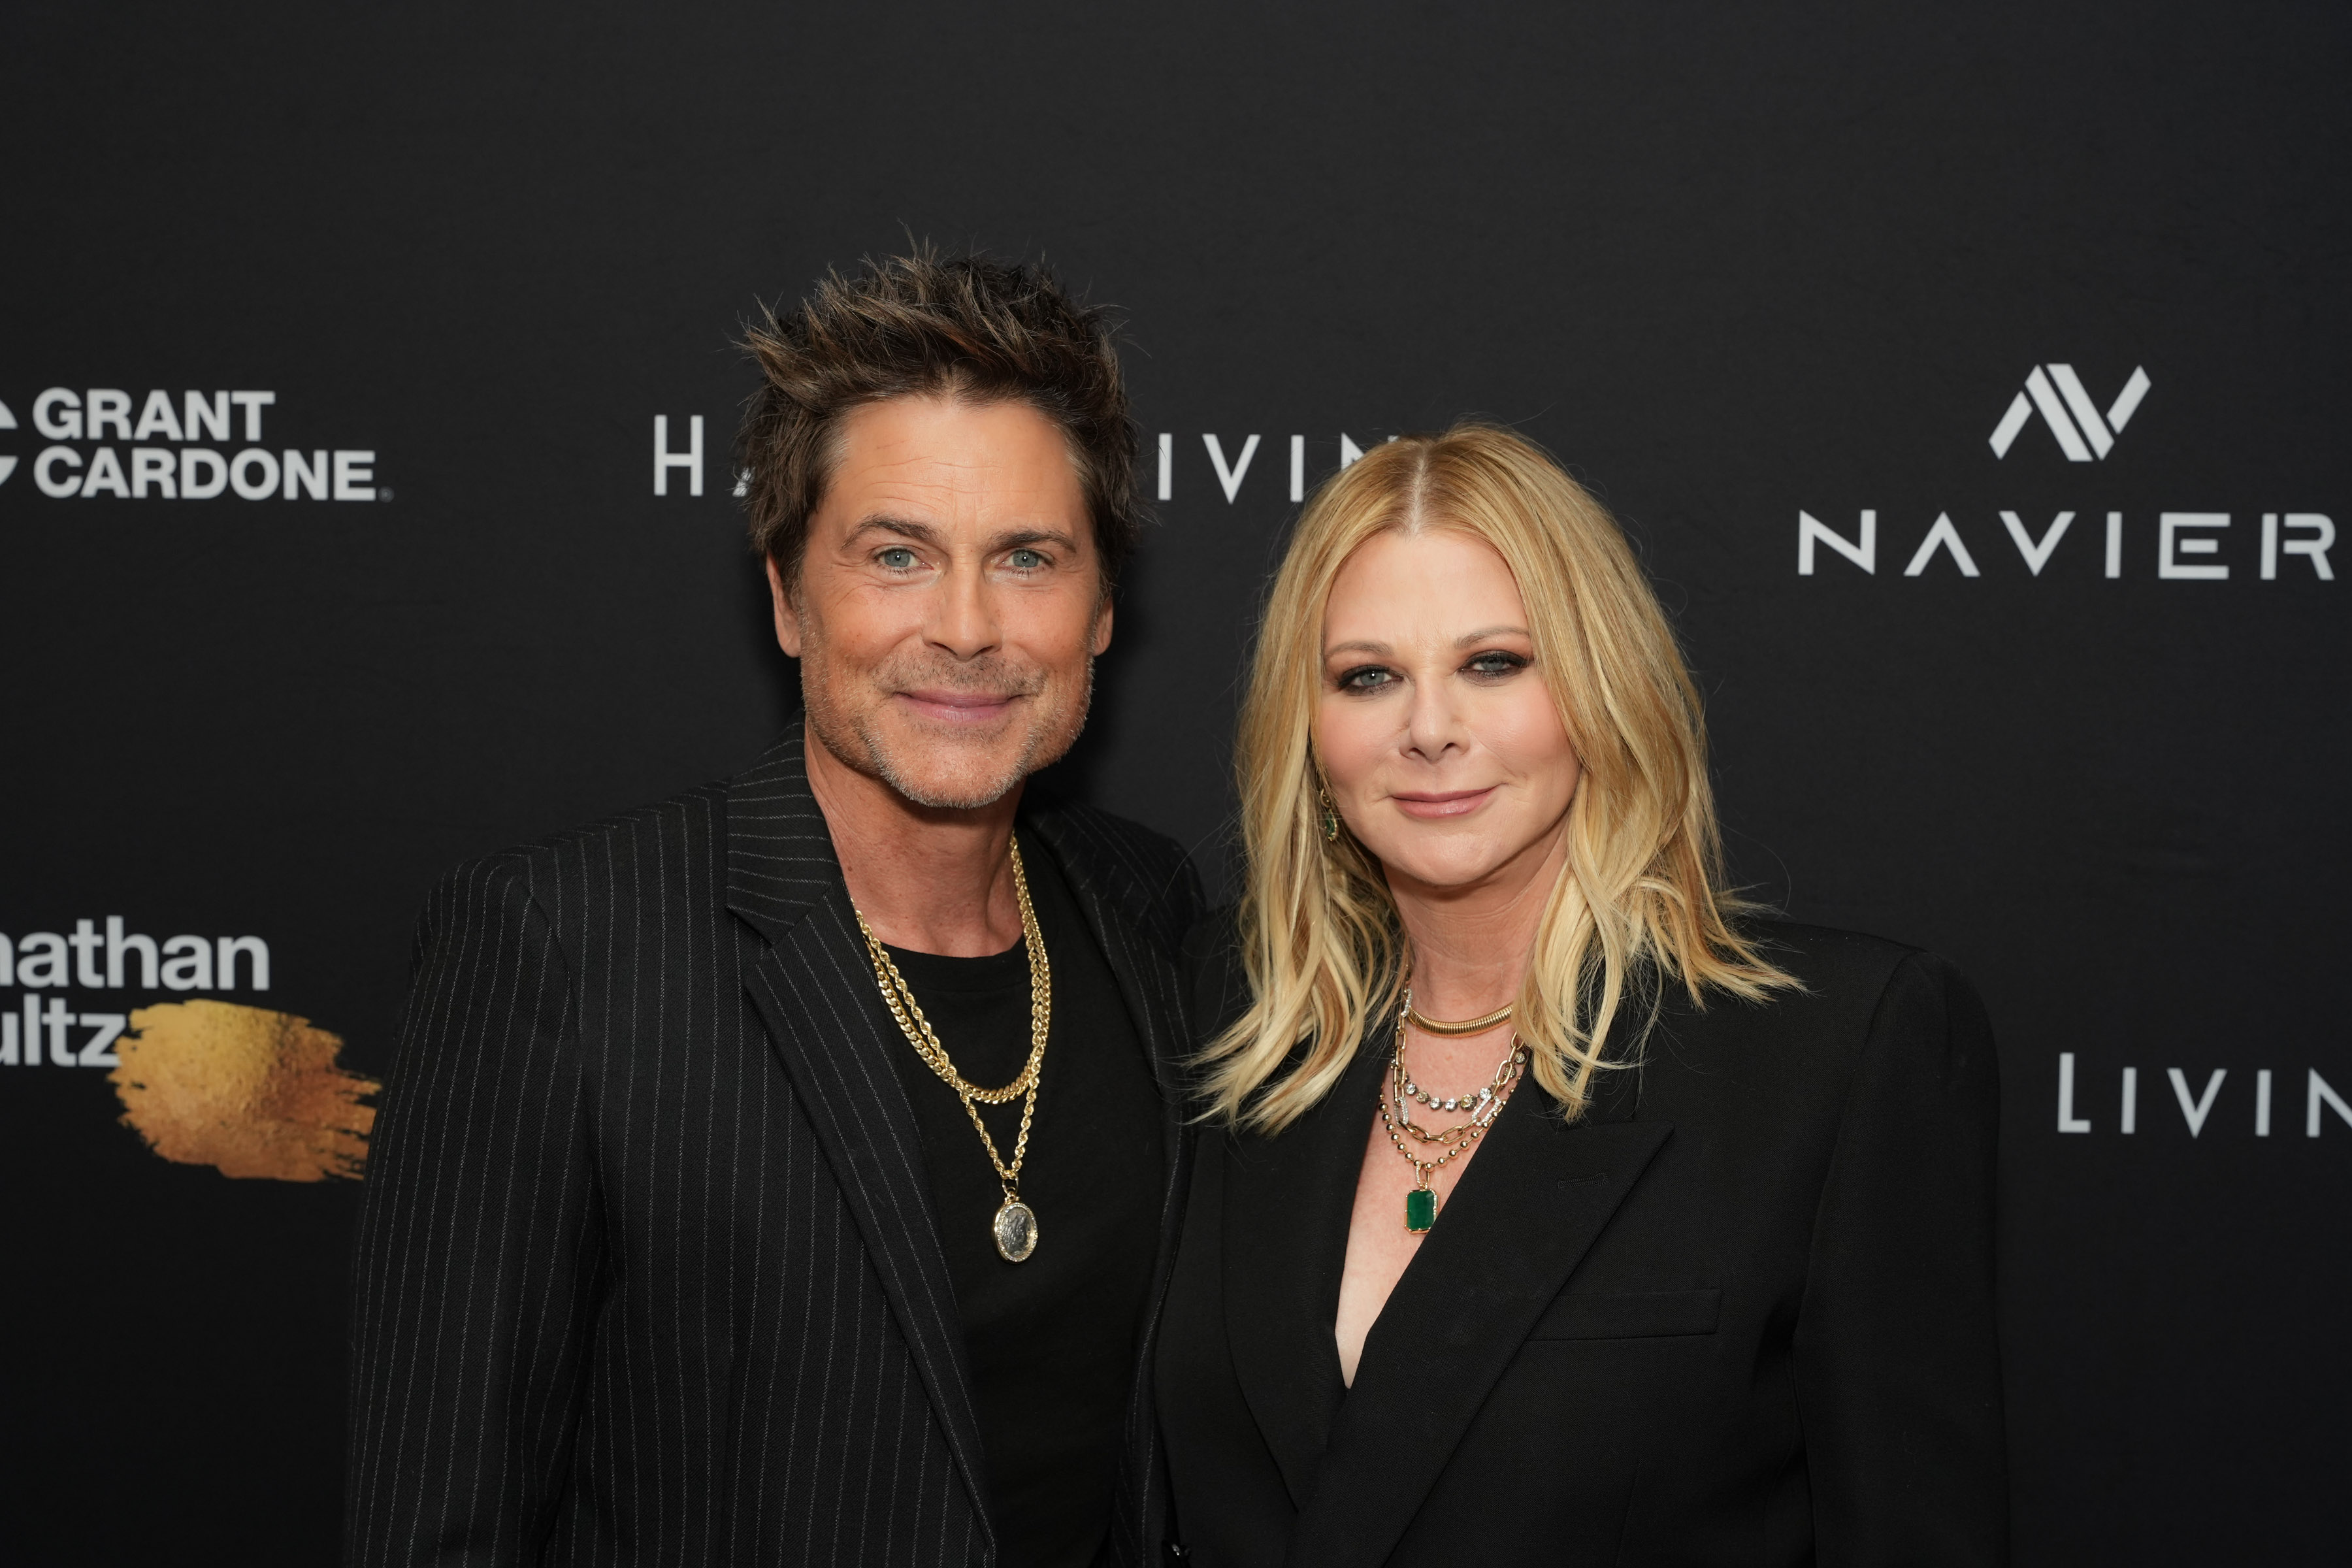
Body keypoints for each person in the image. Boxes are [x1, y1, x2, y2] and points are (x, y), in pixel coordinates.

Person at [346, 250, 1203, 1568]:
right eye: (898, 555)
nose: (968, 627)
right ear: (788, 597)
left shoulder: (1152, 913)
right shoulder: (559, 951)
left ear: (1100, 610)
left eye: (1028, 557)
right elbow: (437, 1527)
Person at [1154, 425, 2006, 1565]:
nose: (1430, 729)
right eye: (1369, 677)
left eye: (1495, 663)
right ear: (1308, 734)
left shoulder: (1832, 1053)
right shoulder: (1218, 1018)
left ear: (1602, 685)